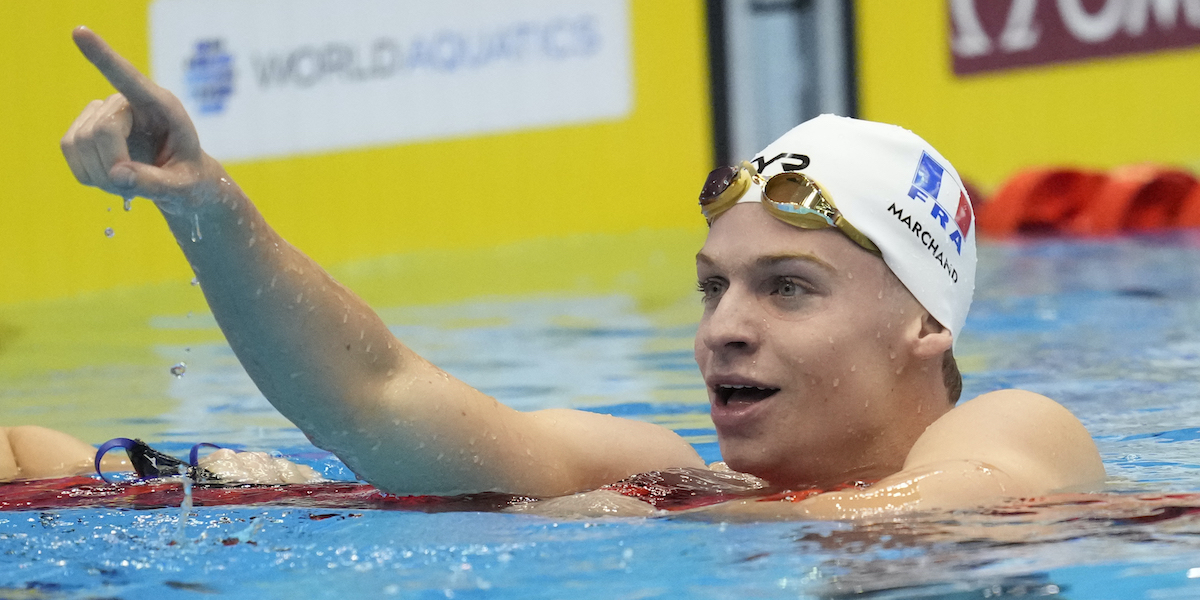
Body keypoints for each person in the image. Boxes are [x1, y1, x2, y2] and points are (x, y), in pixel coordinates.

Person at [10, 27, 1106, 518]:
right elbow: (381, 396)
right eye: (713, 286)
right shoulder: (668, 476)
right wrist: (209, 208)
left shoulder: (1020, 427)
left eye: (787, 287)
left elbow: (919, 518)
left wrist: (613, 519)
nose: (724, 326)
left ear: (927, 322)